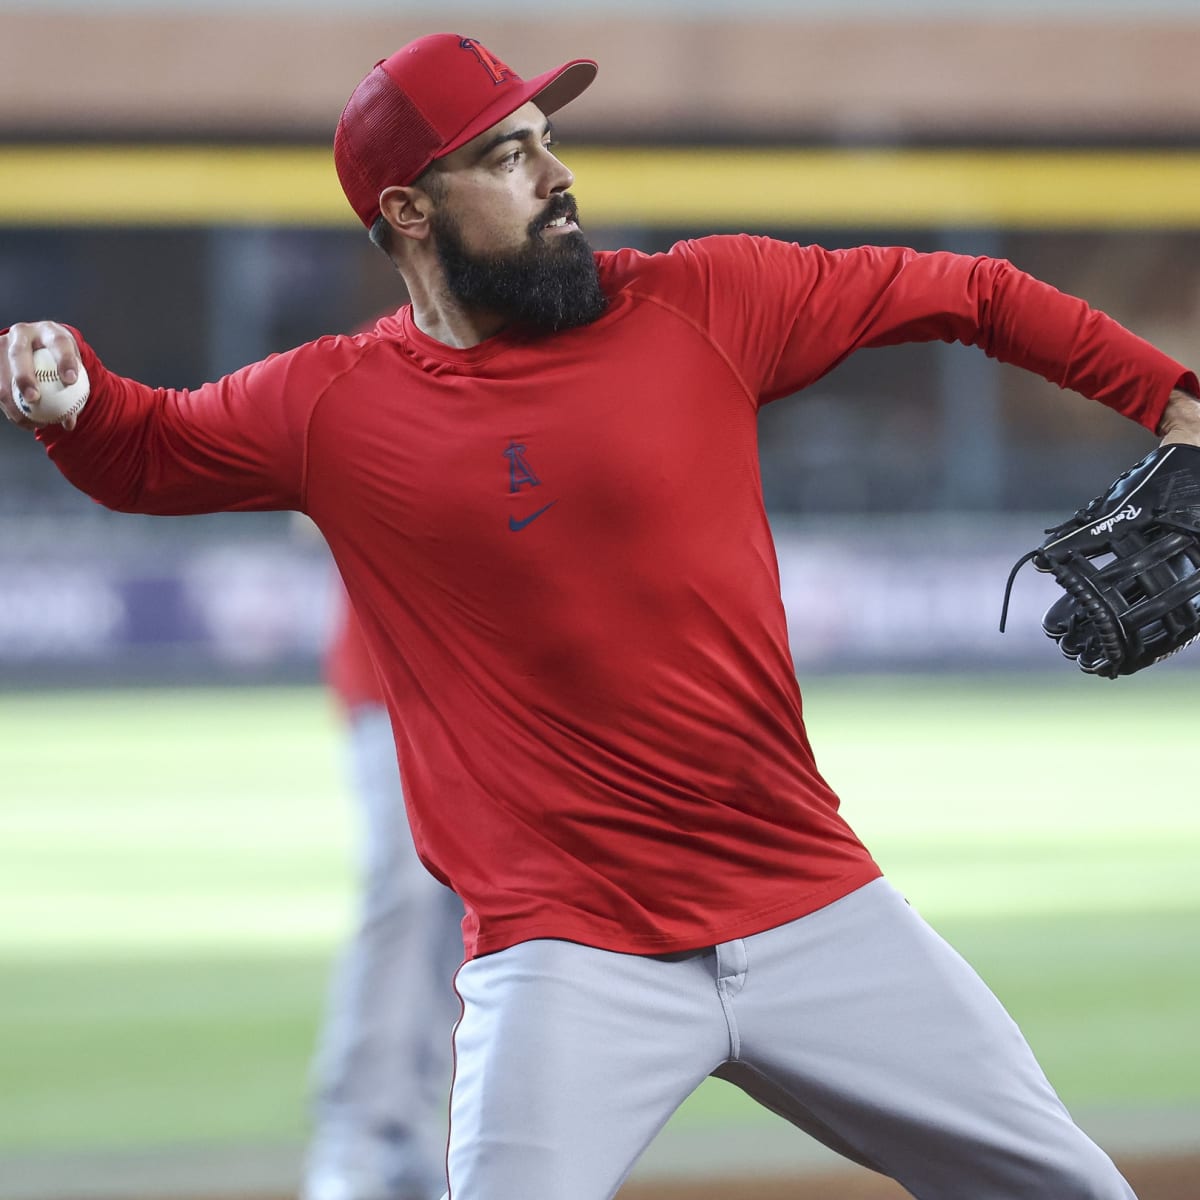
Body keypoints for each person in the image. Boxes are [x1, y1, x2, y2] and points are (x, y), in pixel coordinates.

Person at [4, 31, 1199, 1200]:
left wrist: (1173, 400)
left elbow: (973, 292)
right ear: (412, 212)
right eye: (509, 155)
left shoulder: (709, 300)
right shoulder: (334, 404)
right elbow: (145, 450)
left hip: (813, 908)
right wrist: (71, 393)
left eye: (548, 141)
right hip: (566, 958)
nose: (557, 174)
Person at [306, 583, 463, 1200]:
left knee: (479, 907)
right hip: (392, 674)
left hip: (501, 683)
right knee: (403, 891)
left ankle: (418, 1137)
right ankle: (356, 1137)